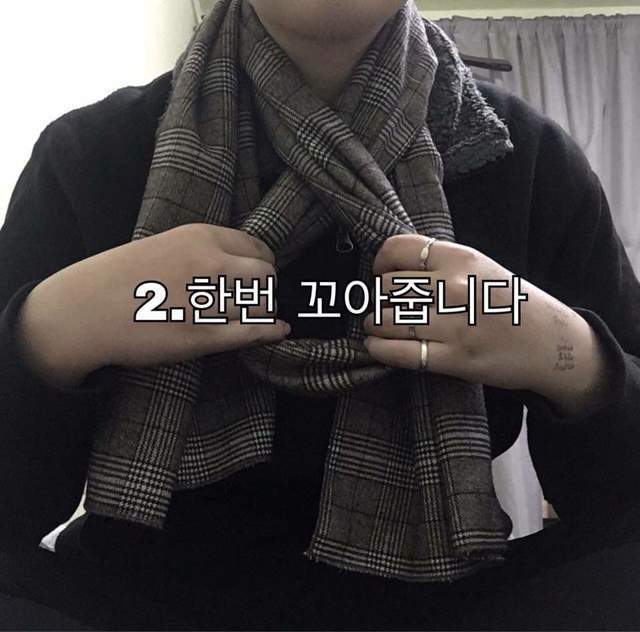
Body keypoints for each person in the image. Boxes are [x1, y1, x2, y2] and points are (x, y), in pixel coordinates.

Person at [1, 0, 640, 629]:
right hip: (130, 601)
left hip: (455, 606)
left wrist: (569, 355)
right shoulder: (88, 155)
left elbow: (619, 505)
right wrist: (50, 331)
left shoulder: (530, 163)